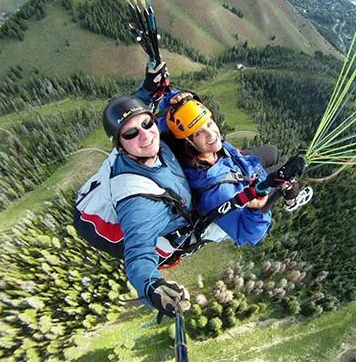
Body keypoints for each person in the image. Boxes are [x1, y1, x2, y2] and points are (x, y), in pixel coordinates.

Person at [164, 91, 313, 246]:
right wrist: (255, 208)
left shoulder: (194, 147)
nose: (211, 135)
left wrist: (177, 98)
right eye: (199, 133)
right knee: (284, 171)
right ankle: (291, 199)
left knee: (272, 152)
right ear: (188, 143)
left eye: (209, 124)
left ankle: (283, 184)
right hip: (242, 188)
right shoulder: (217, 194)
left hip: (235, 164)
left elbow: (169, 119)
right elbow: (250, 234)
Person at [101, 94, 194, 318]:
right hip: (187, 229)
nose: (145, 135)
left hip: (181, 199)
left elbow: (141, 113)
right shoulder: (137, 201)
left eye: (147, 123)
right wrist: (152, 288)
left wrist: (169, 96)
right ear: (120, 147)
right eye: (130, 134)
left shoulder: (151, 146)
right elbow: (138, 254)